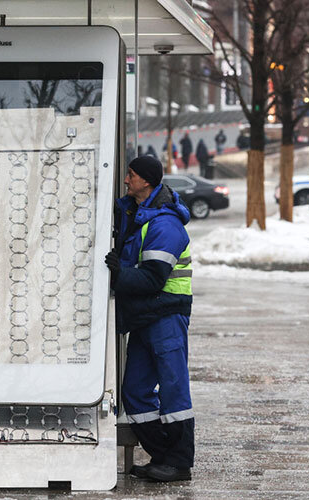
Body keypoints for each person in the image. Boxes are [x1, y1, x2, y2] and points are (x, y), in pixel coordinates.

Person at [104, 156, 194, 482]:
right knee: (136, 391)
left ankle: (179, 463)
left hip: (166, 313)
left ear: (146, 181)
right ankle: (163, 457)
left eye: (130, 175)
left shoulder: (164, 225)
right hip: (146, 315)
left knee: (173, 390)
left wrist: (118, 274)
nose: (126, 180)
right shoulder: (137, 215)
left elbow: (154, 278)